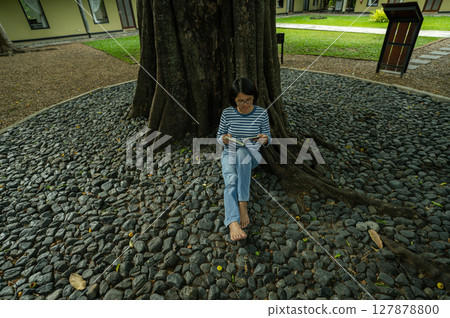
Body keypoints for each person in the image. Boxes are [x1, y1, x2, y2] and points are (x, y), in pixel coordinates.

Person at [216, 78, 272, 241]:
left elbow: (268, 137)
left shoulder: (262, 113)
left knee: (243, 153)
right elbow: (219, 137)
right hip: (229, 154)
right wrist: (224, 139)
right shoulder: (227, 113)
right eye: (240, 101)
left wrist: (264, 139)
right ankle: (233, 222)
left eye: (248, 100)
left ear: (254, 97)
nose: (245, 104)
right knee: (231, 179)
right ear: (233, 100)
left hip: (252, 156)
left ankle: (243, 204)